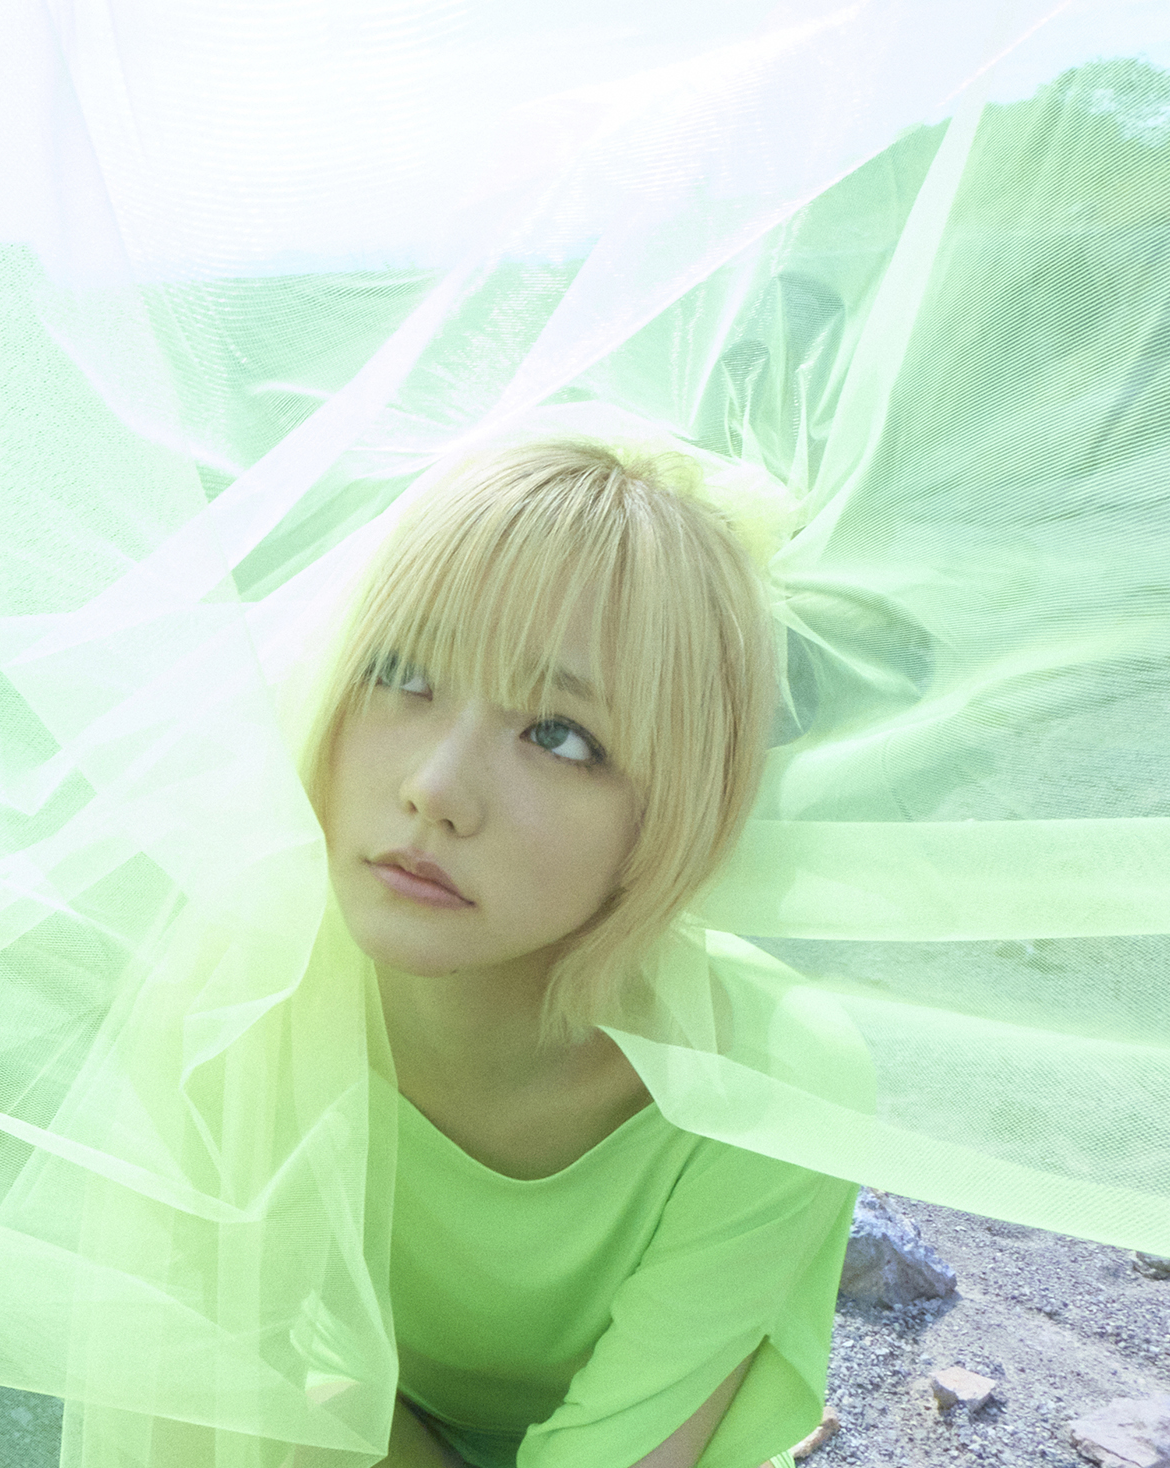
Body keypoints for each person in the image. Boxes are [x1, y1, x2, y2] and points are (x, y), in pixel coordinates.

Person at [303, 437, 857, 1468]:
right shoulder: (249, 981)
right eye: (401, 674)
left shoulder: (773, 1077)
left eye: (558, 735)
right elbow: (223, 1365)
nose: (435, 787)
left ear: (674, 812)